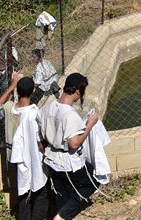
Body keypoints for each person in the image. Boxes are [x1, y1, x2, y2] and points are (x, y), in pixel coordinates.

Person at [38, 73, 99, 220]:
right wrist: (89, 125)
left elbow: (40, 135)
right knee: (94, 180)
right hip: (67, 161)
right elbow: (74, 143)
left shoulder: (47, 107)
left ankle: (62, 214)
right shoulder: (70, 114)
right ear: (78, 91)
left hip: (51, 159)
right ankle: (61, 215)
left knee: (62, 193)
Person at [0, 73, 48, 220]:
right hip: (32, 156)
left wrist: (11, 86)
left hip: (13, 156)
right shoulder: (34, 113)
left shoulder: (9, 108)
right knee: (40, 192)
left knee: (23, 191)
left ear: (17, 92)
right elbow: (40, 139)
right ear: (33, 91)